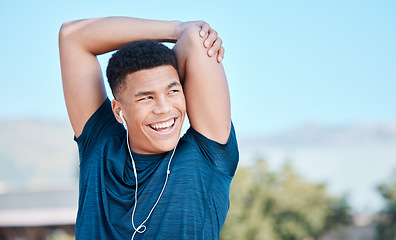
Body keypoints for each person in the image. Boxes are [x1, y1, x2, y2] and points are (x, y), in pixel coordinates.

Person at [58, 16, 239, 239]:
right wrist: (175, 29)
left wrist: (183, 36)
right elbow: (72, 36)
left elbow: (195, 40)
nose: (163, 108)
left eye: (173, 91)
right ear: (118, 111)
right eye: (147, 98)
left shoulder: (204, 157)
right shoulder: (100, 148)